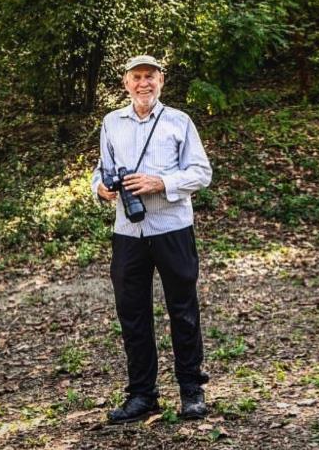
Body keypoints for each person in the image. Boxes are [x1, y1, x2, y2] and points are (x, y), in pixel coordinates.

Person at [91, 54, 213, 424]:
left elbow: (201, 172)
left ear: (161, 81)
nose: (144, 83)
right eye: (137, 77)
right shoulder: (111, 123)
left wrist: (163, 183)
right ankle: (142, 395)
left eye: (151, 76)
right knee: (133, 314)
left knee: (183, 309)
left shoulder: (179, 121)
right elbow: (102, 169)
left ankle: (191, 390)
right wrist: (101, 188)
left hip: (172, 228)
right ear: (126, 83)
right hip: (127, 233)